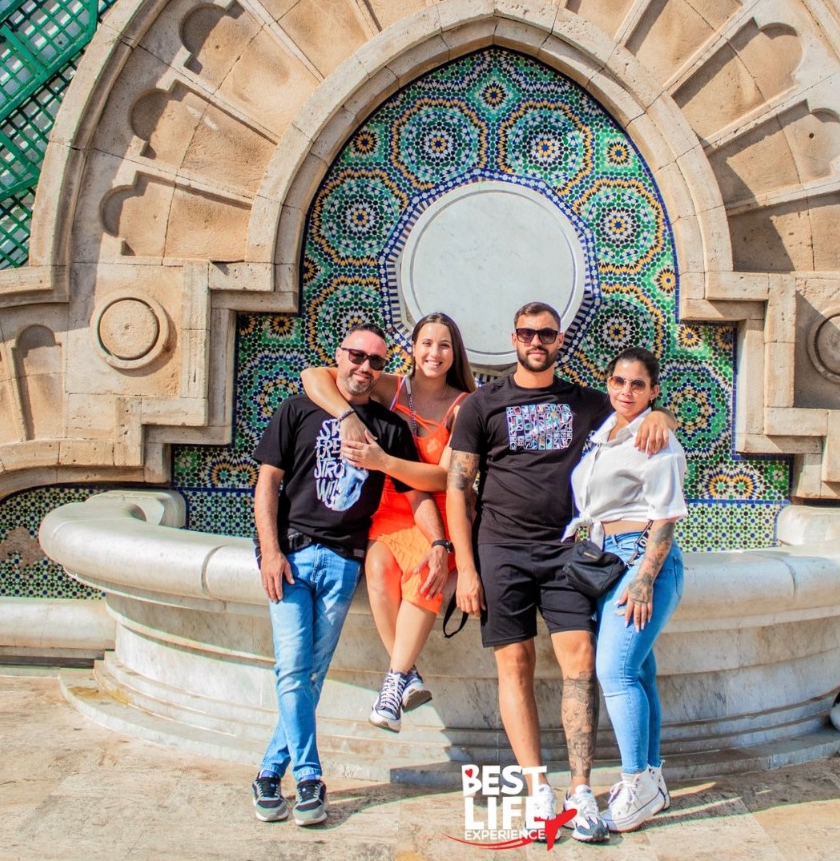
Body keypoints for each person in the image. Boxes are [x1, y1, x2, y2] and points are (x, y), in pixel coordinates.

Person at [446, 302, 673, 844]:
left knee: (582, 662)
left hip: (568, 552)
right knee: (514, 665)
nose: (536, 341)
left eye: (546, 333)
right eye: (527, 332)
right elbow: (457, 487)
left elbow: (637, 412)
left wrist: (662, 416)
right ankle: (537, 790)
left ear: (559, 339)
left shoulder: (588, 403)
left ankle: (580, 791)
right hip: (500, 550)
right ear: (513, 338)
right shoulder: (483, 403)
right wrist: (466, 568)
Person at [249, 323, 446, 827]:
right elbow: (267, 484)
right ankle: (309, 778)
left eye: (376, 361)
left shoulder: (390, 428)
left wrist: (439, 542)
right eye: (356, 356)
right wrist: (269, 552)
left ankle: (270, 772)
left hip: (341, 561)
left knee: (308, 674)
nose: (364, 367)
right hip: (290, 558)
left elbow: (417, 494)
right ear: (338, 356)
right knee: (293, 668)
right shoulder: (299, 409)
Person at [300, 312, 475, 731]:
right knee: (377, 566)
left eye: (444, 345)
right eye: (426, 343)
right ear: (412, 348)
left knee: (424, 575)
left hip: (438, 512)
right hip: (388, 508)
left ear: (455, 354)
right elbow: (312, 376)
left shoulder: (464, 405)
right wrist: (346, 416)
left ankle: (393, 682)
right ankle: (406, 675)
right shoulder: (390, 386)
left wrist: (383, 461)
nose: (434, 353)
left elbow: (446, 478)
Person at [568, 347, 687, 834]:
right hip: (607, 559)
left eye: (638, 385)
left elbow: (666, 516)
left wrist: (643, 579)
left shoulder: (657, 439)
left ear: (653, 390)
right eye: (619, 381)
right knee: (639, 671)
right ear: (608, 383)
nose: (626, 391)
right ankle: (653, 779)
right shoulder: (605, 431)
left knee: (615, 671)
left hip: (641, 560)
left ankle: (635, 781)